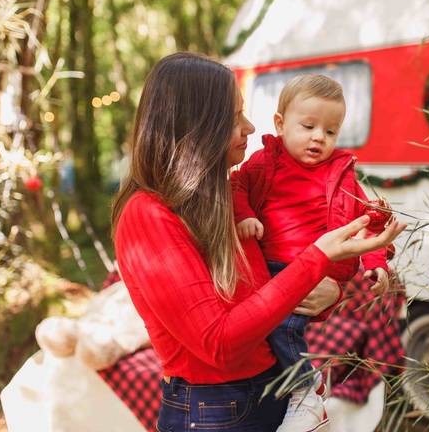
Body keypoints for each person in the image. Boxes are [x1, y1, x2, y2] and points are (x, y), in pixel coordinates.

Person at [111, 53, 406, 432]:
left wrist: (330, 292)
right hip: (215, 408)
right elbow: (219, 342)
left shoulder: (223, 200)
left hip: (268, 390)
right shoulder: (147, 214)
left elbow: (266, 298)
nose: (250, 127)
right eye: (235, 117)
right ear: (200, 126)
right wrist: (316, 260)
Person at [231, 74, 397, 431]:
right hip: (270, 265)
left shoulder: (340, 174)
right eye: (308, 126)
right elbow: (237, 185)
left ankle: (305, 390)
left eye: (331, 131)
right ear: (280, 123)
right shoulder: (265, 162)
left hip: (315, 271)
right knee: (266, 331)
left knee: (283, 327)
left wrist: (376, 264)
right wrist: (244, 214)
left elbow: (366, 221)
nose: (319, 137)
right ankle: (299, 388)